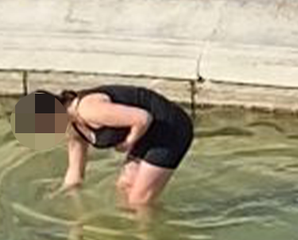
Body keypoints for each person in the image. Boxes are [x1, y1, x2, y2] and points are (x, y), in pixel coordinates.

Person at [30, 85, 193, 208]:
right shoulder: (72, 127)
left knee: (139, 201)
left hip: (170, 128)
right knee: (124, 186)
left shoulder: (88, 109)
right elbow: (75, 173)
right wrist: (64, 196)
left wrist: (127, 143)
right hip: (146, 132)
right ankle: (131, 230)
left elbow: (143, 118)